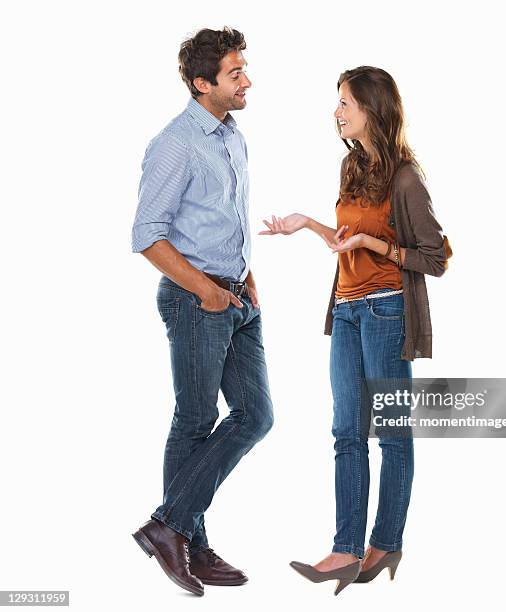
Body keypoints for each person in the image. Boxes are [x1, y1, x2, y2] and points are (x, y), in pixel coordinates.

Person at [260, 66, 450, 595]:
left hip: (387, 312)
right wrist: (308, 225)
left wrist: (377, 248)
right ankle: (346, 549)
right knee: (346, 433)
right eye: (337, 102)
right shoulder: (351, 166)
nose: (336, 111)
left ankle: (386, 541)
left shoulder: (406, 177)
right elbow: (348, 239)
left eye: (344, 102)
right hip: (345, 310)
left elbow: (436, 257)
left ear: (372, 108)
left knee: (391, 435)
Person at [130, 27, 273, 597]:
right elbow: (147, 235)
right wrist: (205, 290)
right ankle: (184, 537)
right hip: (196, 299)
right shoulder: (175, 143)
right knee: (194, 420)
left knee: (255, 415)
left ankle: (172, 529)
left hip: (238, 294)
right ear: (201, 83)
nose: (247, 81)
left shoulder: (233, 137)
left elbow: (226, 217)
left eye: (244, 70)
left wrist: (244, 277)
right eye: (235, 74)